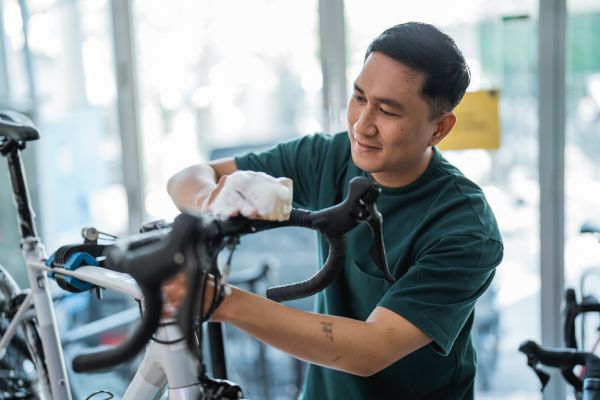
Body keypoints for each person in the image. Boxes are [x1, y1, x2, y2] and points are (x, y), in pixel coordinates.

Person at [165, 22, 503, 400]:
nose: (362, 125)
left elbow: (373, 348)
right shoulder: (331, 155)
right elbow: (189, 177)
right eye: (359, 98)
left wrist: (223, 302)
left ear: (439, 128)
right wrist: (213, 203)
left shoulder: (465, 228)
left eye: (387, 112)